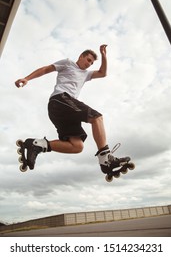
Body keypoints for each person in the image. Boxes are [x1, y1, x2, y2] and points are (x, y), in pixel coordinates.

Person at [15, 44, 128, 174]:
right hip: (60, 100)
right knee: (97, 117)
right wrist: (27, 78)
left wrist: (103, 56)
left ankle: (37, 144)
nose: (89, 64)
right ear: (81, 56)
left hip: (66, 111)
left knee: (77, 146)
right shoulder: (68, 63)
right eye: (88, 60)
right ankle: (105, 159)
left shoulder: (86, 74)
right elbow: (46, 69)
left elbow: (103, 73)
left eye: (91, 63)